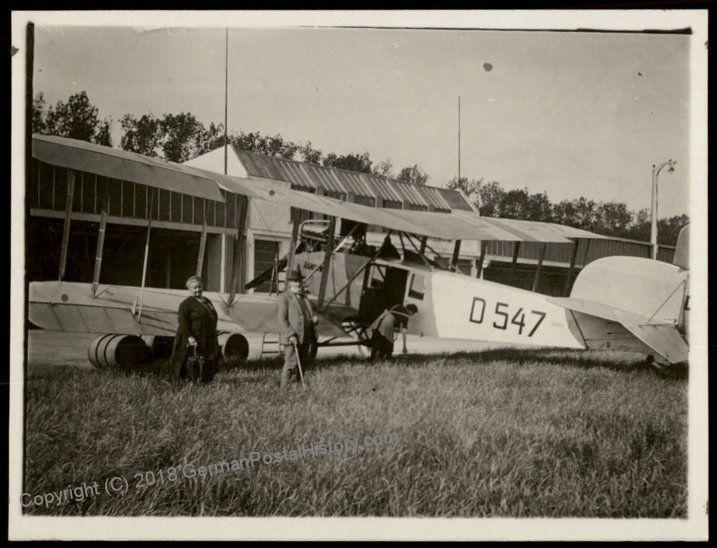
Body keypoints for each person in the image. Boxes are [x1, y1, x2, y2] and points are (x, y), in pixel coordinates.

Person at [170, 275, 219, 383]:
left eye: (199, 287)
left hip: (206, 336)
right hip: (191, 337)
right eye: (195, 288)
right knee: (189, 361)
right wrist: (189, 337)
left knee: (205, 360)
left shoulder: (206, 301)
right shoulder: (186, 304)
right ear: (189, 289)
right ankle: (185, 383)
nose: (198, 290)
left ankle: (204, 382)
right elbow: (183, 322)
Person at [278, 268, 319, 389]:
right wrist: (290, 334)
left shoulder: (304, 298)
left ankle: (298, 387)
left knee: (302, 364)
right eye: (295, 281)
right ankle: (283, 390)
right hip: (292, 338)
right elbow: (282, 320)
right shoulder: (285, 298)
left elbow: (308, 315)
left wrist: (314, 319)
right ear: (290, 283)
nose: (298, 284)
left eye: (300, 281)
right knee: (291, 364)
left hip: (305, 336)